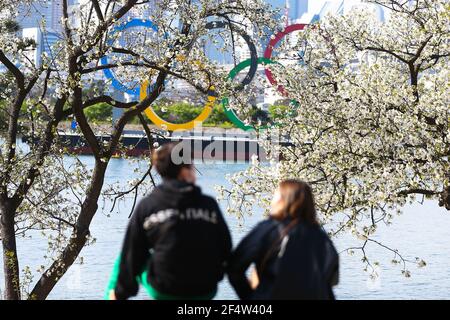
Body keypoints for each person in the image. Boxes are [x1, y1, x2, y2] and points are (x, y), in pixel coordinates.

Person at [106, 142, 232, 300]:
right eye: (191, 167)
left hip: (165, 290)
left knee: (127, 254)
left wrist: (122, 290)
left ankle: (115, 296)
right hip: (205, 290)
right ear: (184, 172)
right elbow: (226, 246)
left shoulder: (148, 206)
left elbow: (133, 253)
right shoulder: (209, 204)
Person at [228, 179, 339, 300]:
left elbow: (235, 266)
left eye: (275, 195)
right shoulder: (322, 237)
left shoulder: (269, 229)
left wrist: (250, 296)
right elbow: (332, 279)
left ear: (283, 200)